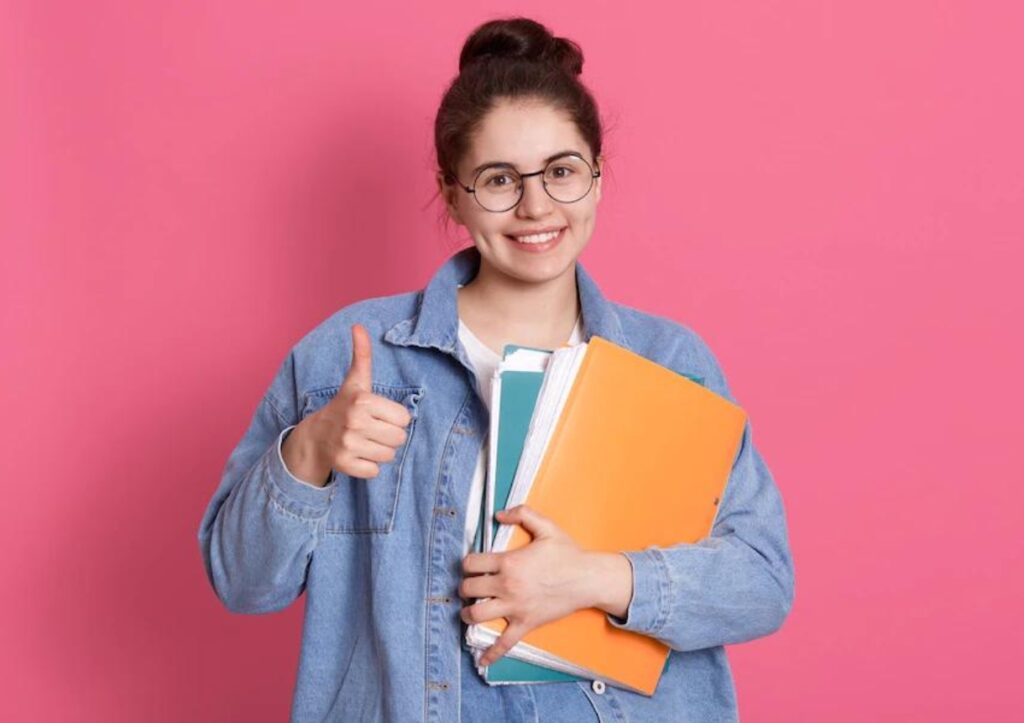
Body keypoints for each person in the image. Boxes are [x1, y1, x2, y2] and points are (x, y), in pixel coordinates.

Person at [197, 16, 794, 723]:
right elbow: (241, 582)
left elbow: (762, 579)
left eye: (562, 171)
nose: (536, 205)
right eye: (499, 178)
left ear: (597, 179)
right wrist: (308, 451)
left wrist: (597, 578)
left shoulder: (670, 363)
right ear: (453, 192)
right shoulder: (348, 356)